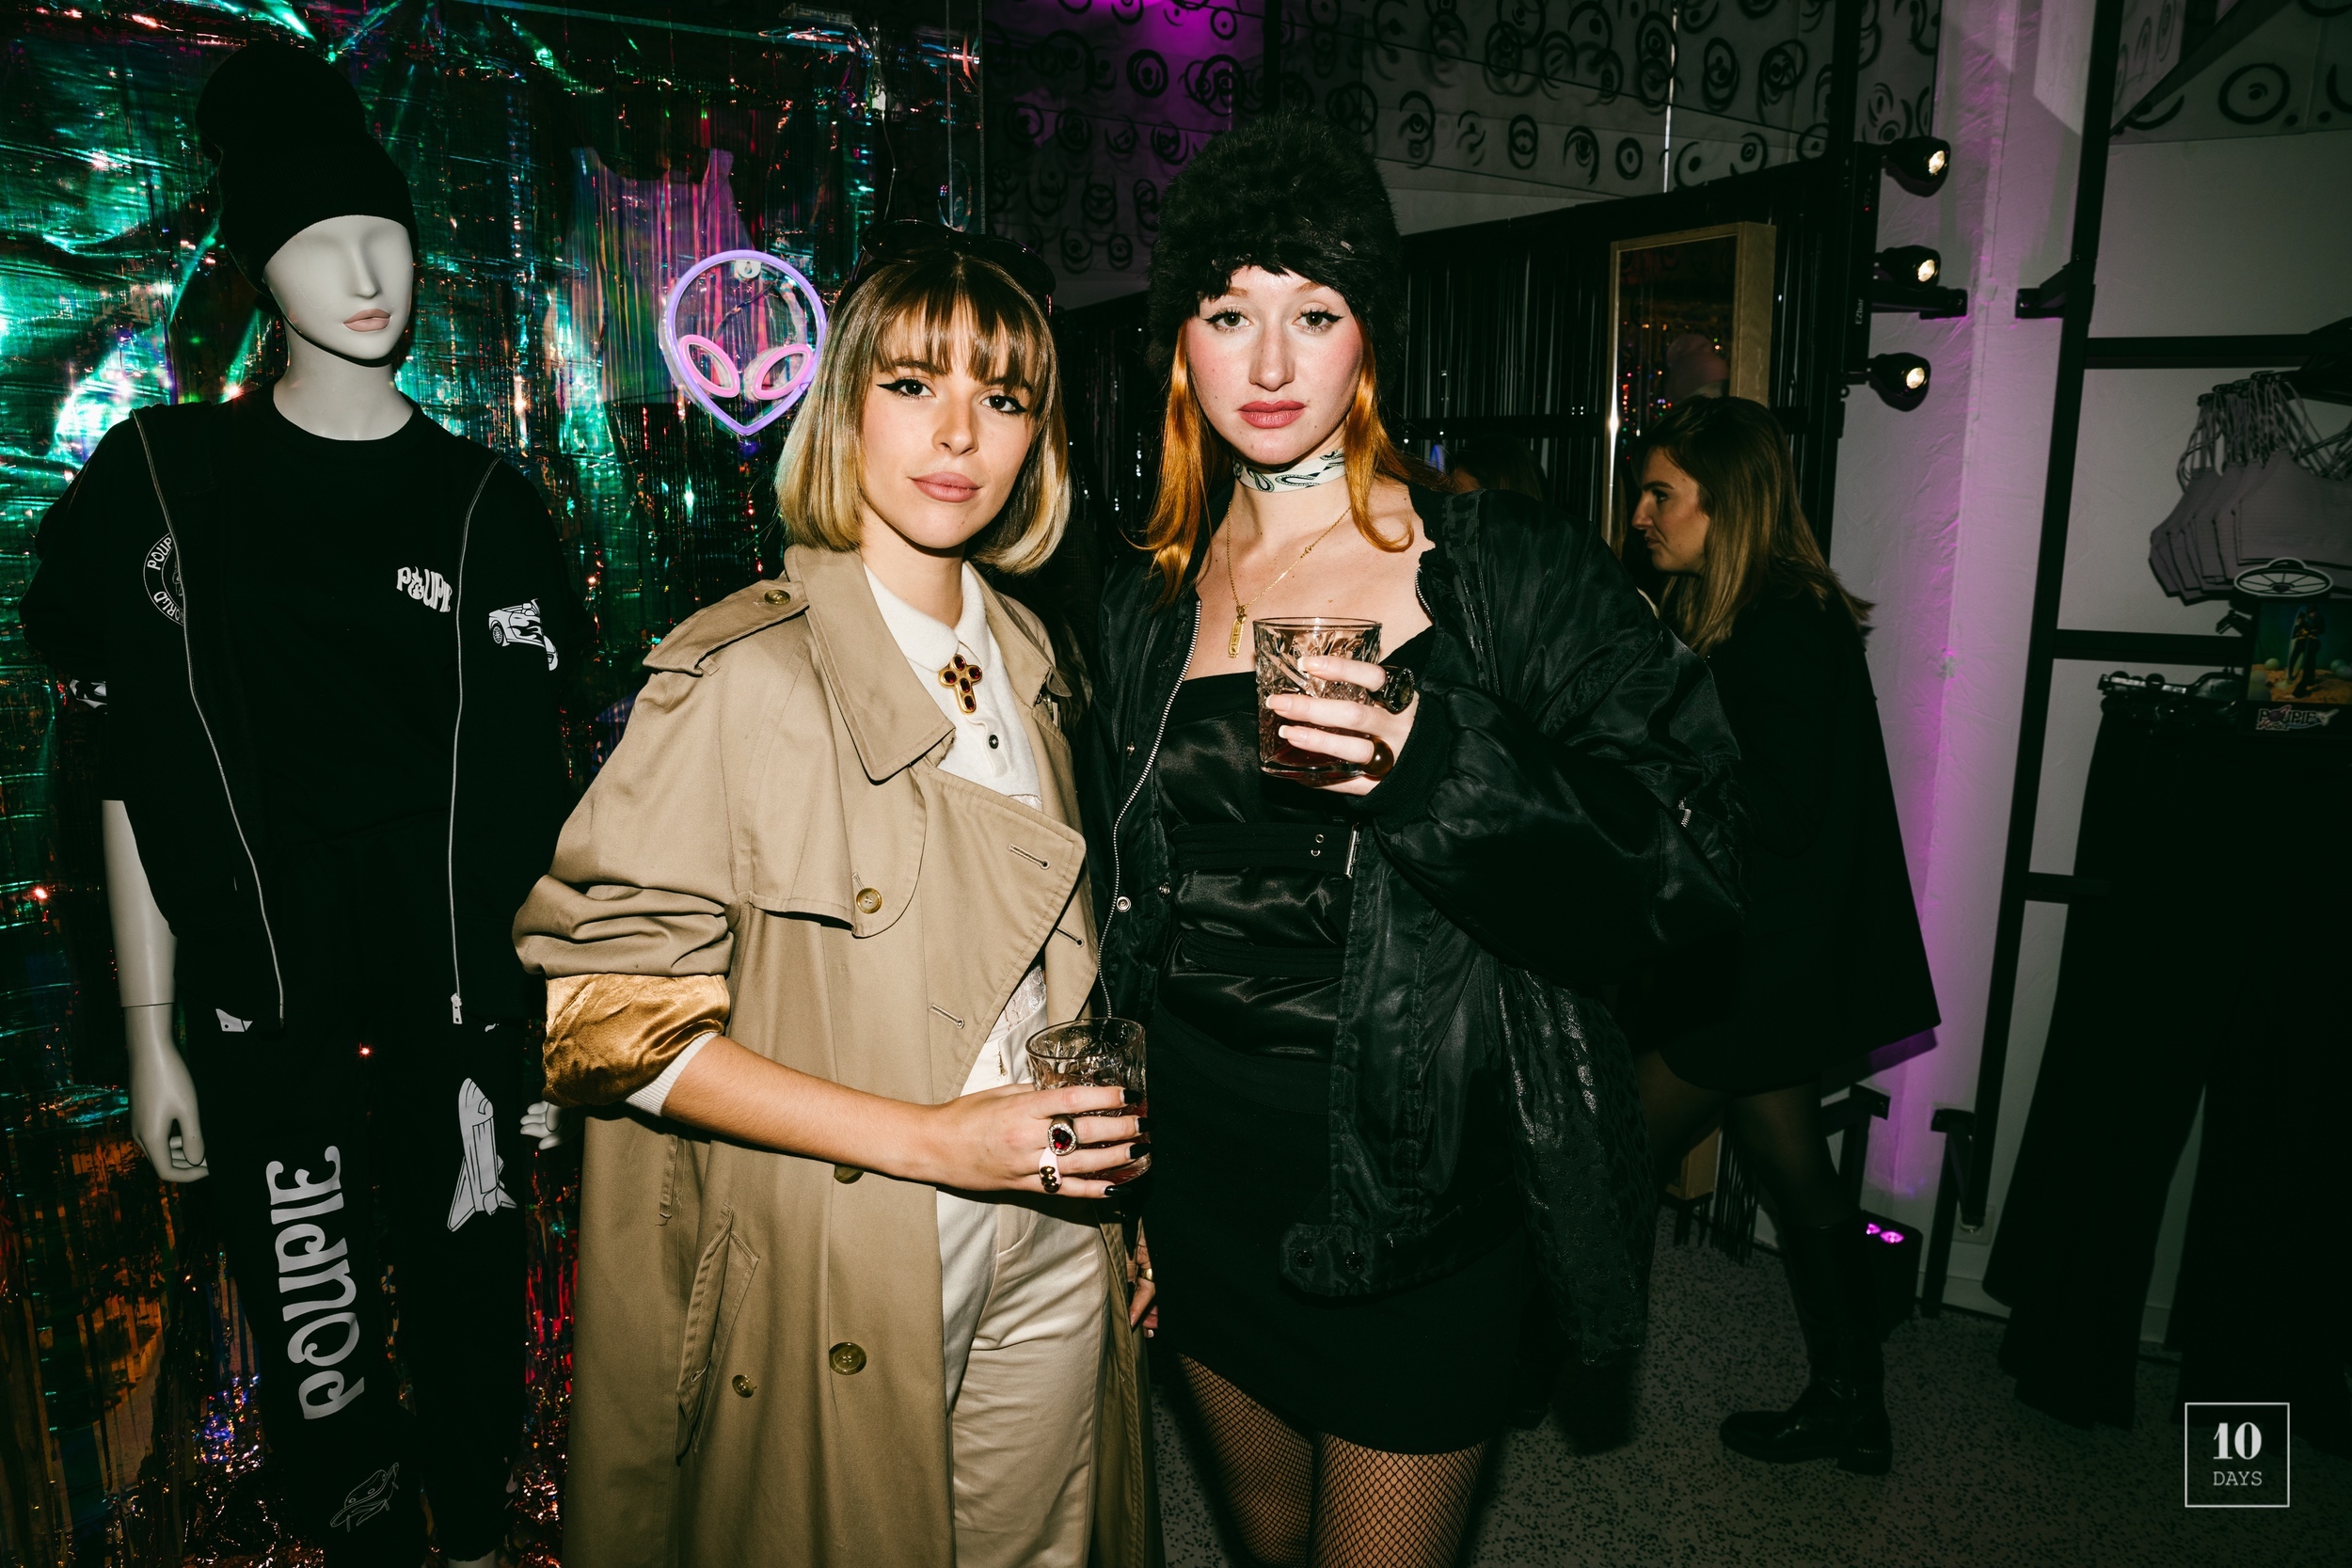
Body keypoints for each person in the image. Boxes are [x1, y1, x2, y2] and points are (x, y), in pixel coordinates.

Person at [1089, 116, 1742, 1568]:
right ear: (1180, 341)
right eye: (1228, 314)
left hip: (1418, 1190)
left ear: (1368, 335)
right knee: (1267, 1539)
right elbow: (1124, 911)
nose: (1271, 362)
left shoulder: (1505, 568)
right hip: (1202, 1170)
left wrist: (1438, 763)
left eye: (1314, 313)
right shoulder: (1145, 601)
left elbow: (1695, 862)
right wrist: (1122, 1183)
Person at [511, 228, 1157, 1568]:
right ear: (846, 404)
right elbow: (603, 1021)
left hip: (1050, 1212)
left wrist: (1116, 1210)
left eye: (1002, 395)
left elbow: (1054, 975)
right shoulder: (741, 672)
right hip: (861, 1234)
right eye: (913, 384)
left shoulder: (1035, 654)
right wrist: (933, 1140)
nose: (958, 432)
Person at [21, 42, 582, 1567]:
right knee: (308, 1287)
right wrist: (150, 1032)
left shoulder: (487, 509)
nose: (366, 272)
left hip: (460, 981)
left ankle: (473, 1526)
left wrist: (551, 1022)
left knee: (473, 1272)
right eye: (322, 239)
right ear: (260, 267)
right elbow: (129, 766)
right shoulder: (169, 487)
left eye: (386, 233)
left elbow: (540, 796)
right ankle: (366, 1531)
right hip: (261, 975)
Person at [1624, 395, 1940, 1475]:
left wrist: (1654, 752)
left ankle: (1533, 1362)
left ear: (1727, 502)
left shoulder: (1781, 625)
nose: (1640, 514)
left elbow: (1785, 807)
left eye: (1661, 493)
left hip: (1761, 966)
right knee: (1790, 1163)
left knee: (1611, 1147)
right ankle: (1852, 1400)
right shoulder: (1765, 612)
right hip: (1773, 959)